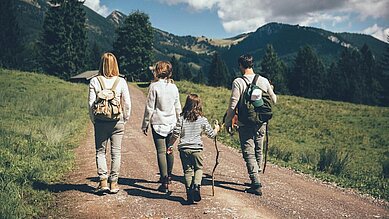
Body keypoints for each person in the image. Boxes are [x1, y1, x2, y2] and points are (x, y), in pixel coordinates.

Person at [224, 54, 276, 196]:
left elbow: (233, 104)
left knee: (249, 151)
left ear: (241, 65)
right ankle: (256, 174)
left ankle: (256, 183)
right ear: (252, 64)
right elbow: (274, 100)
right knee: (259, 148)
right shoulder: (263, 80)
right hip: (261, 121)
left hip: (245, 121)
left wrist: (228, 122)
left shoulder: (238, 82)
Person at [88, 52, 131, 194]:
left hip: (100, 121)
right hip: (117, 121)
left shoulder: (94, 81)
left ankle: (103, 182)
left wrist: (94, 120)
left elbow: (90, 104)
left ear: (101, 64)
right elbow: (128, 103)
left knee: (100, 151)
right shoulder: (121, 81)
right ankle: (114, 184)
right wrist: (125, 118)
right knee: (116, 153)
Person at [170, 94, 220, 204]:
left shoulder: (181, 118)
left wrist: (170, 145)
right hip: (197, 149)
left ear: (186, 104)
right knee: (198, 169)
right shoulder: (202, 119)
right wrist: (216, 129)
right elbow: (211, 134)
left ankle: (189, 193)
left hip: (184, 149)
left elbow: (176, 133)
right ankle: (196, 186)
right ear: (199, 105)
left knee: (187, 171)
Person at [141, 61, 181, 193]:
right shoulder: (174, 87)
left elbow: (149, 108)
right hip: (172, 123)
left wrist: (145, 123)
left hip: (158, 123)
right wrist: (180, 122)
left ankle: (163, 181)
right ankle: (169, 176)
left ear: (157, 71)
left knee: (161, 151)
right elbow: (177, 107)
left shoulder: (154, 87)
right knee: (169, 149)